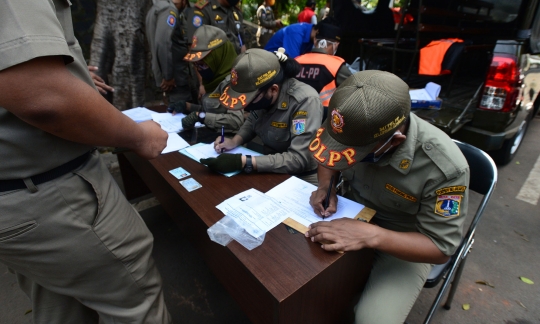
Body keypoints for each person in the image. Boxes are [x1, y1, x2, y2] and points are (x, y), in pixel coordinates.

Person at [0, 0, 171, 323]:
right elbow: (44, 97)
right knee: (136, 299)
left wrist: (68, 74)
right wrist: (139, 137)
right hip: (51, 193)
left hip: (21, 197)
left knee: (62, 306)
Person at [305, 71, 470, 324]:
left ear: (394, 141)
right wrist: (326, 186)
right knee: (299, 282)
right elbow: (330, 151)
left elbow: (440, 247)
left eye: (355, 153)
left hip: (402, 240)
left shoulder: (444, 168)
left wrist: (371, 235)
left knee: (373, 320)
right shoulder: (349, 116)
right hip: (347, 211)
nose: (345, 156)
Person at [199, 48, 324, 185]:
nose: (246, 106)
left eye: (250, 100)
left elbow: (299, 159)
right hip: (268, 168)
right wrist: (234, 141)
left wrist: (243, 162)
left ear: (273, 90)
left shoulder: (304, 101)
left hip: (301, 178)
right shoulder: (261, 93)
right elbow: (253, 119)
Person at [171, 25, 244, 132]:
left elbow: (235, 120)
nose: (199, 69)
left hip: (228, 141)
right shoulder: (213, 79)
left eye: (202, 64)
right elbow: (213, 111)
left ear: (217, 57)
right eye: (196, 65)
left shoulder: (232, 82)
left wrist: (200, 116)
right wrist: (187, 107)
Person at [295, 20, 351, 109]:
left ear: (315, 40)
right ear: (336, 45)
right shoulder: (337, 66)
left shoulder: (296, 61)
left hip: (296, 114)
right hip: (323, 117)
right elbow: (354, 89)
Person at [146, 0, 194, 104]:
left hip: (171, 77)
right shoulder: (169, 10)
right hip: (175, 79)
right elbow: (163, 43)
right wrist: (168, 76)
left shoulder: (156, 8)